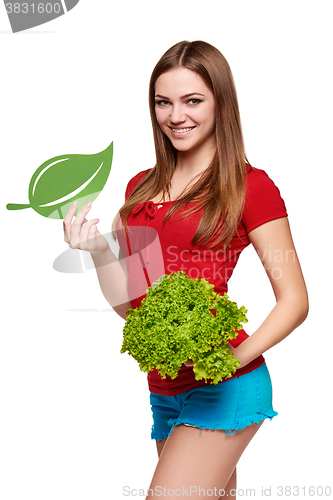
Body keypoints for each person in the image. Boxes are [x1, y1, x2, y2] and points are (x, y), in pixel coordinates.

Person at [63, 40, 309, 499]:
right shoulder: (140, 188)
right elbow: (133, 311)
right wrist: (98, 249)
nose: (176, 115)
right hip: (163, 384)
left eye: (193, 100)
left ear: (221, 103)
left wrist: (231, 360)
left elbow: (295, 300)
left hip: (227, 383)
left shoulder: (249, 187)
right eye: (163, 102)